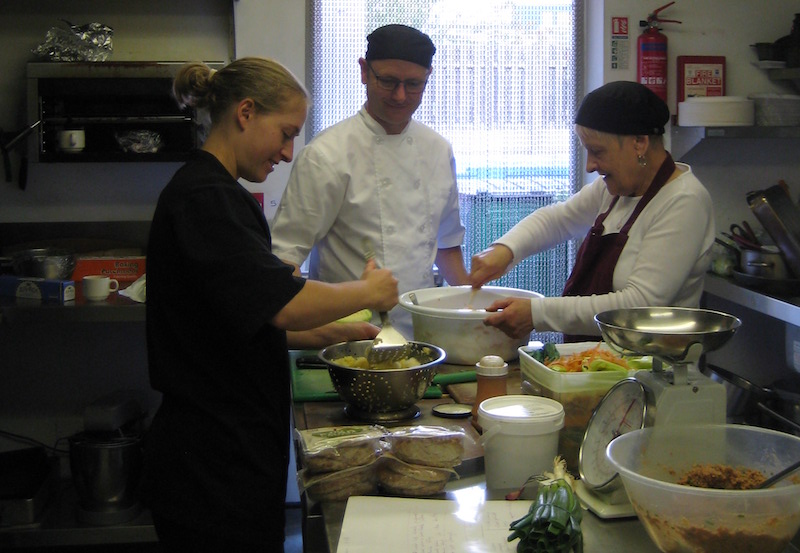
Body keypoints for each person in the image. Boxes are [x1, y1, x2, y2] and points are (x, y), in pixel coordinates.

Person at [140, 58, 399, 553]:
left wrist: (324, 334)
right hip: (210, 464)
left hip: (229, 453)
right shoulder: (204, 199)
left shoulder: (221, 194)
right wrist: (366, 293)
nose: (287, 152)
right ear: (245, 112)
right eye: (285, 133)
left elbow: (234, 318)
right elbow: (281, 303)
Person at [469, 80, 715, 342]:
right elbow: (558, 220)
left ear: (639, 143)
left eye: (597, 151)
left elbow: (640, 304)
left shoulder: (684, 201)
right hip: (601, 366)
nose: (589, 166)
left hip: (653, 372)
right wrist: (505, 250)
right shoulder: (612, 190)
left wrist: (537, 313)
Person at [270, 24, 470, 337]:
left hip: (423, 335)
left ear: (429, 76)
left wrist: (477, 306)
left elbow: (447, 246)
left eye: (414, 84)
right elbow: (285, 259)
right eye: (388, 81)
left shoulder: (438, 150)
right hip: (347, 339)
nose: (400, 95)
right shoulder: (326, 154)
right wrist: (305, 329)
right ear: (364, 71)